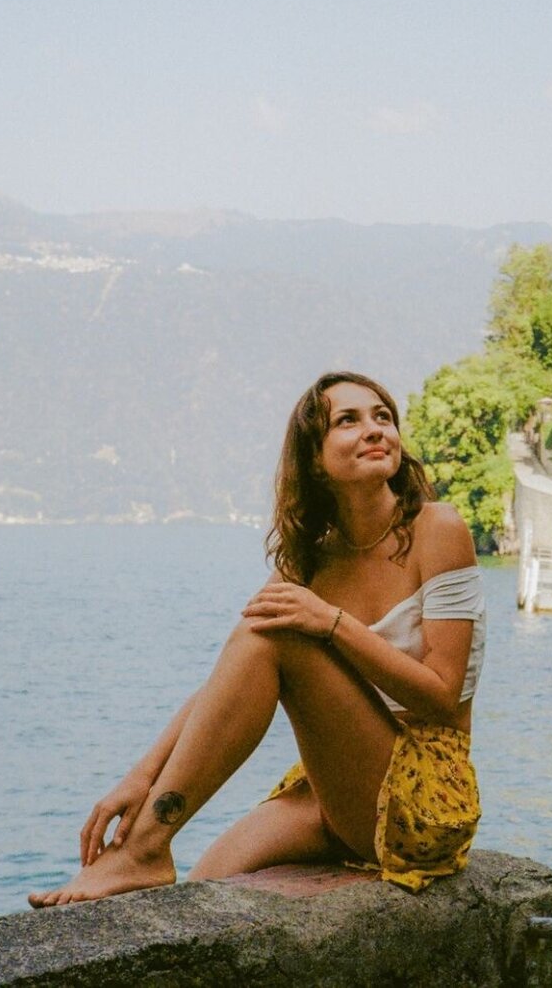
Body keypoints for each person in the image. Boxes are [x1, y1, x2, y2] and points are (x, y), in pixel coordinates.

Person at [28, 371, 485, 907]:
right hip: (332, 792)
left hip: (423, 797)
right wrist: (140, 776)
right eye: (348, 420)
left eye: (383, 416)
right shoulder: (312, 559)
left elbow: (442, 693)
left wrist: (331, 622)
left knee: (278, 632)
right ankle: (147, 848)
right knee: (200, 896)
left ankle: (145, 850)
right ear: (315, 459)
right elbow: (232, 677)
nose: (374, 429)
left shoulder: (438, 529)